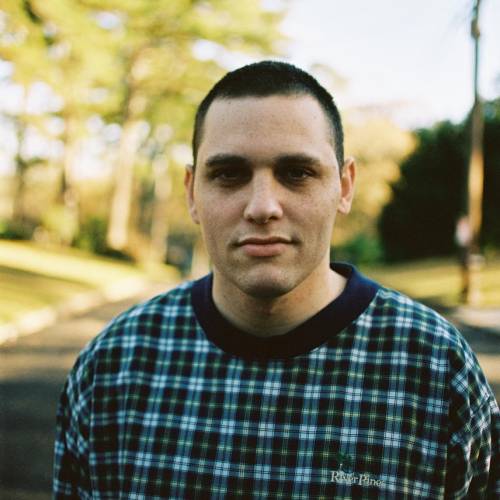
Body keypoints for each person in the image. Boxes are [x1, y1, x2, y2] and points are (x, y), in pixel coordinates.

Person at [53, 61, 499, 498]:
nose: (263, 206)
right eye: (229, 174)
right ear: (192, 193)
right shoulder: (112, 368)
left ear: (344, 186)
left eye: (297, 173)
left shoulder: (436, 367)